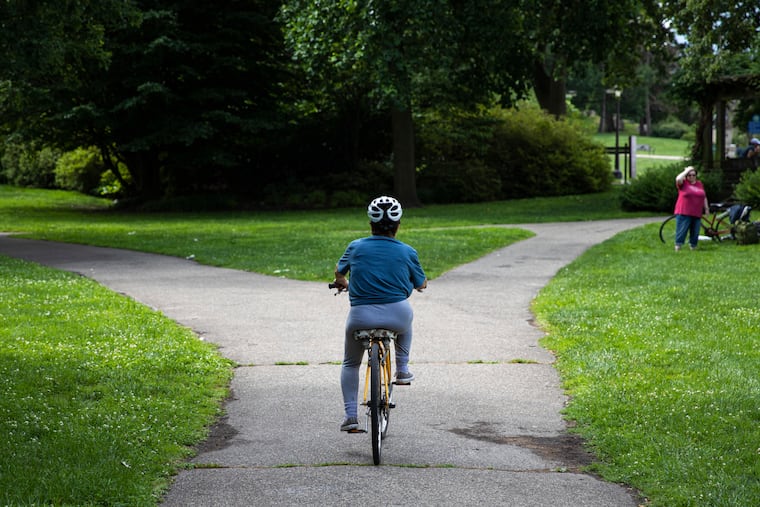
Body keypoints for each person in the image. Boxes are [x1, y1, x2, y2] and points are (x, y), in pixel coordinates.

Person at [332, 196, 427, 432]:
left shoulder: (356, 246)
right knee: (406, 323)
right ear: (398, 224)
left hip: (360, 316)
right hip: (397, 314)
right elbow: (421, 283)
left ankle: (351, 416)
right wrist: (420, 284)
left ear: (370, 224)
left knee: (351, 363)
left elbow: (339, 270)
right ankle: (403, 370)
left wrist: (341, 281)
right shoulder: (407, 251)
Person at [673, 166, 709, 251]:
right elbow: (678, 178)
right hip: (684, 212)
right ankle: (678, 246)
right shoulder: (683, 183)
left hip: (696, 212)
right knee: (682, 230)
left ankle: (693, 246)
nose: (692, 177)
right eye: (689, 175)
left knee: (695, 231)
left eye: (693, 175)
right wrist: (687, 170)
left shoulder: (699, 184)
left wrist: (706, 208)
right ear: (686, 176)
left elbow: (704, 196)